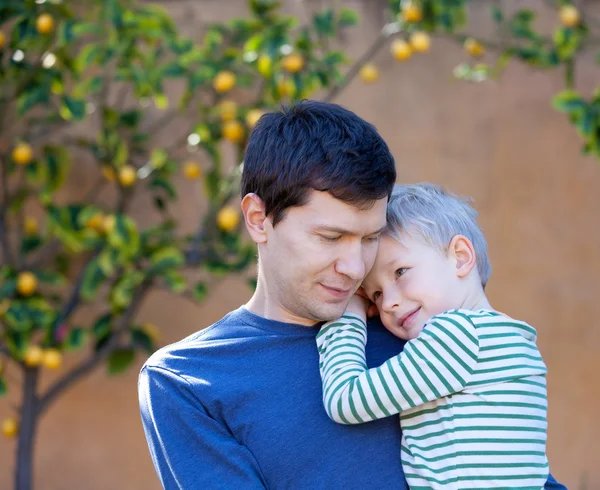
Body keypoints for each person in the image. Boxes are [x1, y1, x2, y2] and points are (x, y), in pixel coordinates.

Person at [138, 101, 565, 489]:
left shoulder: (416, 326)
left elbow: (518, 473)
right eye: (331, 237)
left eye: (369, 239)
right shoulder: (186, 380)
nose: (355, 268)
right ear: (258, 218)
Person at [317, 183, 550, 489]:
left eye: (400, 272)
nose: (388, 303)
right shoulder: (512, 337)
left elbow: (345, 400)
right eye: (374, 295)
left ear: (461, 257)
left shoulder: (454, 337)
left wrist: (347, 314)